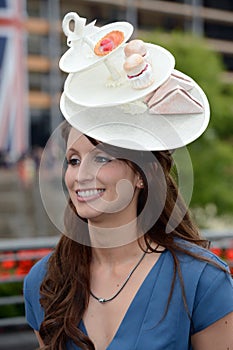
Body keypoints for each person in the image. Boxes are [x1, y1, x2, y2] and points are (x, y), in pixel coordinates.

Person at [23, 12, 233, 350]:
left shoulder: (202, 282)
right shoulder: (46, 282)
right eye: (73, 160)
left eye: (103, 157)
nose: (81, 175)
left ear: (143, 175)